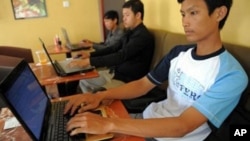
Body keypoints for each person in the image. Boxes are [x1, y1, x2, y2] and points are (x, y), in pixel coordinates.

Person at [64, 0, 248, 140]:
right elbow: (143, 84)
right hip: (146, 117)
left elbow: (182, 126)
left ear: (219, 13)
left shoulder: (231, 75)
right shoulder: (179, 53)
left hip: (173, 136)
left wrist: (109, 124)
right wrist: (99, 96)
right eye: (183, 14)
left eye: (193, 13)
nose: (185, 22)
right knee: (74, 128)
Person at [70, 0, 154, 93]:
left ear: (138, 15)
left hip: (127, 80)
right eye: (123, 15)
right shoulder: (130, 32)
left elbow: (121, 55)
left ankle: (93, 102)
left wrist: (90, 61)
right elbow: (112, 48)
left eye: (127, 15)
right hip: (115, 73)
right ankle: (89, 103)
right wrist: (90, 55)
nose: (124, 19)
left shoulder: (142, 36)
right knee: (83, 80)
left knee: (94, 89)